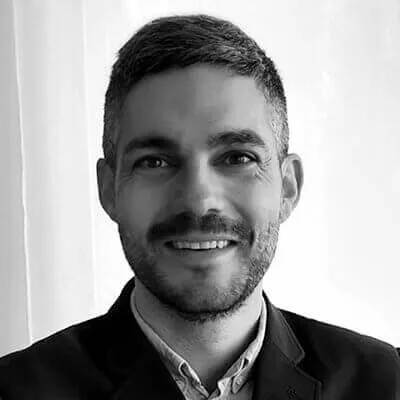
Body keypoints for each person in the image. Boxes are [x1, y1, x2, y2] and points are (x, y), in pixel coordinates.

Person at [0, 13, 399, 400]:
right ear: (109, 190)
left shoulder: (387, 382)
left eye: (238, 157)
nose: (198, 199)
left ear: (288, 187)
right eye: (155, 161)